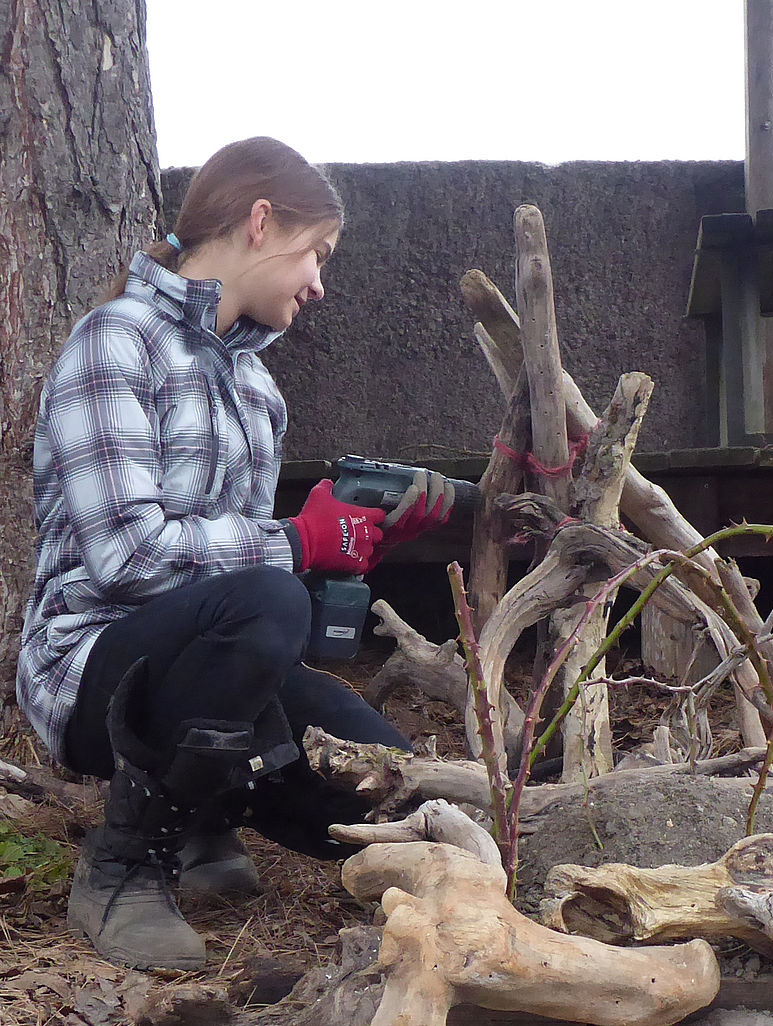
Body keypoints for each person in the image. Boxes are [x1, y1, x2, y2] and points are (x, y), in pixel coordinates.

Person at [17, 137, 452, 971]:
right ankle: (122, 868)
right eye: (316, 254)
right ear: (262, 223)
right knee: (267, 598)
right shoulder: (115, 343)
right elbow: (125, 558)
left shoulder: (257, 391)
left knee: (392, 781)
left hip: (210, 659)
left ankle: (209, 819)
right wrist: (295, 543)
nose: (319, 283)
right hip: (90, 667)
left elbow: (237, 575)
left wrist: (346, 554)